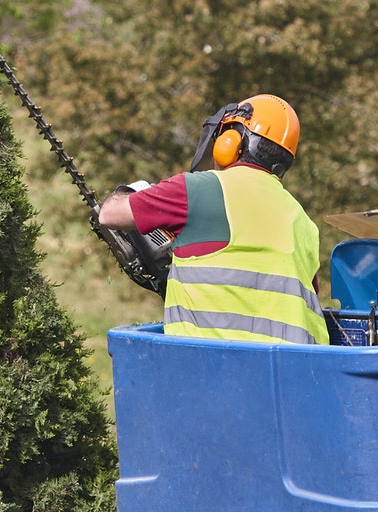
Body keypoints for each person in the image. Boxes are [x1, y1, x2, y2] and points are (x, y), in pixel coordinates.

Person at [97, 95, 327, 345]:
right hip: (299, 371)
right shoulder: (304, 221)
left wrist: (130, 192)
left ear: (233, 141)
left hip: (215, 368)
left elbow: (109, 214)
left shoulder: (200, 189)